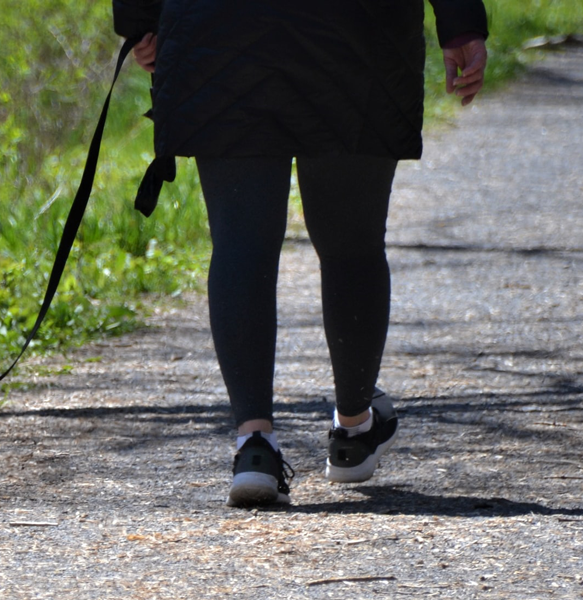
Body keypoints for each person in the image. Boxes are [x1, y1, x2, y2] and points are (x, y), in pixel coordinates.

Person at [113, 0, 489, 507]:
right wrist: (460, 23)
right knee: (352, 242)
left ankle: (255, 445)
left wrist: (140, 18)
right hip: (355, 32)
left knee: (241, 240)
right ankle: (354, 428)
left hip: (221, 28)